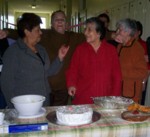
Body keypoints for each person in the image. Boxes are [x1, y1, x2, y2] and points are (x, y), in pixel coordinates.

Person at [0, 13, 69, 108]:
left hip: (43, 101)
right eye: (38, 30)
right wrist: (13, 107)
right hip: (24, 103)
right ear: (27, 32)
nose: (40, 32)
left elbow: (47, 72)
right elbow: (6, 82)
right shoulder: (13, 52)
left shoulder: (41, 49)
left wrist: (59, 58)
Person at [66, 17, 122, 105]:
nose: (85, 32)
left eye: (89, 30)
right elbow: (73, 70)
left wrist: (114, 97)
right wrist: (71, 84)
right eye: (85, 29)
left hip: (105, 99)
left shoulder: (111, 50)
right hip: (83, 98)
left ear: (99, 33)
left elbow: (116, 76)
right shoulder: (80, 49)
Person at [41, 10, 85, 105]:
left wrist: (113, 35)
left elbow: (94, 34)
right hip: (45, 86)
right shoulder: (43, 35)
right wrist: (7, 32)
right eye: (57, 19)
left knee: (58, 115)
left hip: (63, 88)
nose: (60, 22)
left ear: (67, 24)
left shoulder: (73, 37)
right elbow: (24, 33)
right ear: (52, 23)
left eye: (62, 20)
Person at [114, 18, 148, 103]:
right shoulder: (120, 46)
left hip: (131, 94)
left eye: (120, 29)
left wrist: (120, 72)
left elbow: (142, 72)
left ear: (128, 32)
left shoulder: (137, 48)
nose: (117, 31)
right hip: (120, 92)